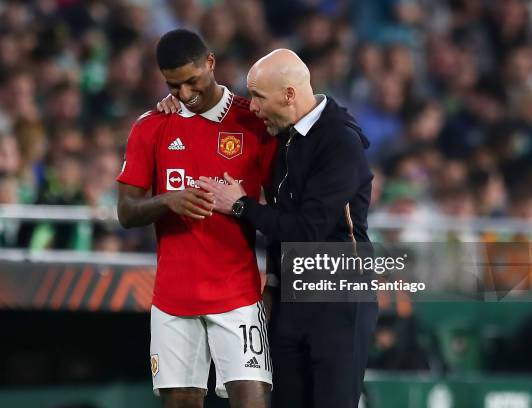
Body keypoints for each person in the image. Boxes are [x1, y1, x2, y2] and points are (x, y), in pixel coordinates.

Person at [158, 49, 378, 408]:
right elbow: (220, 112)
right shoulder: (280, 131)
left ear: (289, 95)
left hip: (339, 298)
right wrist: (178, 102)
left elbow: (308, 231)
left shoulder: (339, 143)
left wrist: (242, 206)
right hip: (291, 299)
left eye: (258, 96)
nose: (253, 107)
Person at [116, 29, 276, 408]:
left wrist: (278, 277)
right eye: (174, 86)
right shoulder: (151, 126)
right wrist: (167, 201)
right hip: (174, 298)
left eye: (192, 81)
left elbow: (280, 205)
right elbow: (126, 212)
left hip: (238, 294)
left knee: (253, 402)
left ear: (210, 63)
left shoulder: (251, 123)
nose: (185, 94)